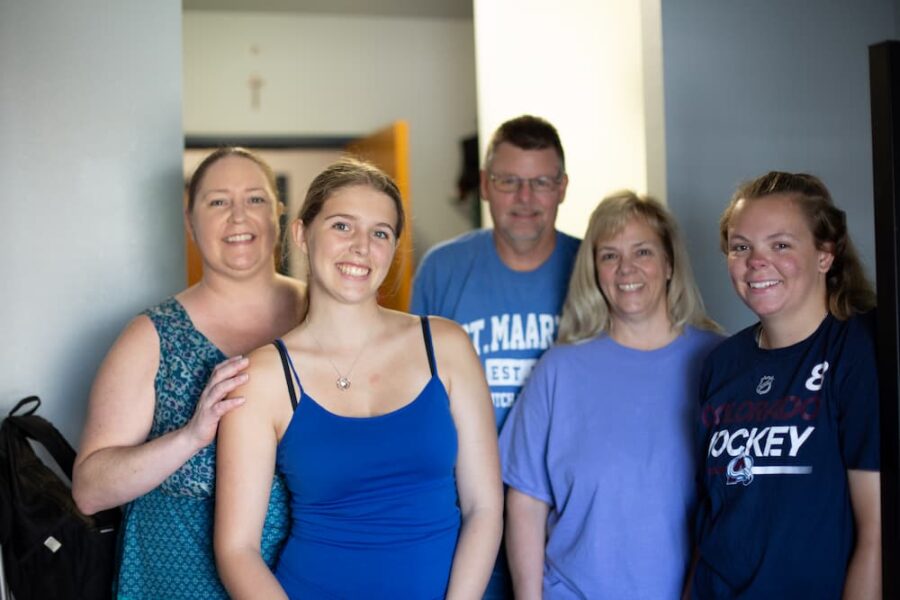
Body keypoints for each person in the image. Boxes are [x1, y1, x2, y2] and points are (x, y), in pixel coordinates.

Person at [214, 158, 503, 599]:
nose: (362, 247)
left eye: (380, 233)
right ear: (301, 235)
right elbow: (237, 549)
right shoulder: (264, 377)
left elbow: (484, 508)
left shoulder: (445, 346)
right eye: (342, 227)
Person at [71, 147, 306, 598]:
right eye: (218, 201)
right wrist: (190, 436)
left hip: (310, 579)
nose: (239, 217)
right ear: (189, 220)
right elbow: (89, 490)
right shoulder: (151, 337)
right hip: (176, 585)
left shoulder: (323, 316)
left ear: (278, 214)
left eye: (255, 199)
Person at [498, 191, 722, 598]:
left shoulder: (718, 361)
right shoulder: (559, 369)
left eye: (643, 252)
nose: (626, 269)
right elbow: (526, 503)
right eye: (609, 256)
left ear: (669, 263)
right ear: (594, 269)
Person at [411, 115, 579, 598]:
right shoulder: (443, 268)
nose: (525, 199)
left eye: (541, 182)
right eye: (509, 182)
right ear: (485, 185)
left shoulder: (594, 266)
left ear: (562, 187)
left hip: (565, 517)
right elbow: (415, 392)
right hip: (460, 512)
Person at [692, 172, 880, 598]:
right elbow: (712, 514)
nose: (757, 261)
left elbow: (878, 531)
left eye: (780, 245)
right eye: (741, 247)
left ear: (825, 254)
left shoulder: (857, 348)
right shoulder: (721, 363)